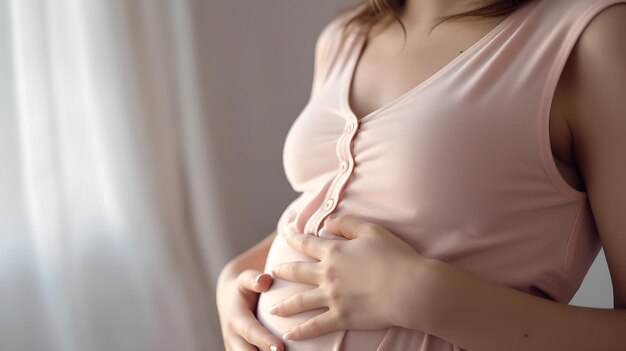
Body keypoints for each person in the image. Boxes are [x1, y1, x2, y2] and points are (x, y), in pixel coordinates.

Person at [216, 0, 626, 350]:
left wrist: (426, 297)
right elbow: (345, 201)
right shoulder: (343, 37)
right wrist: (240, 273)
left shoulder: (595, 38)